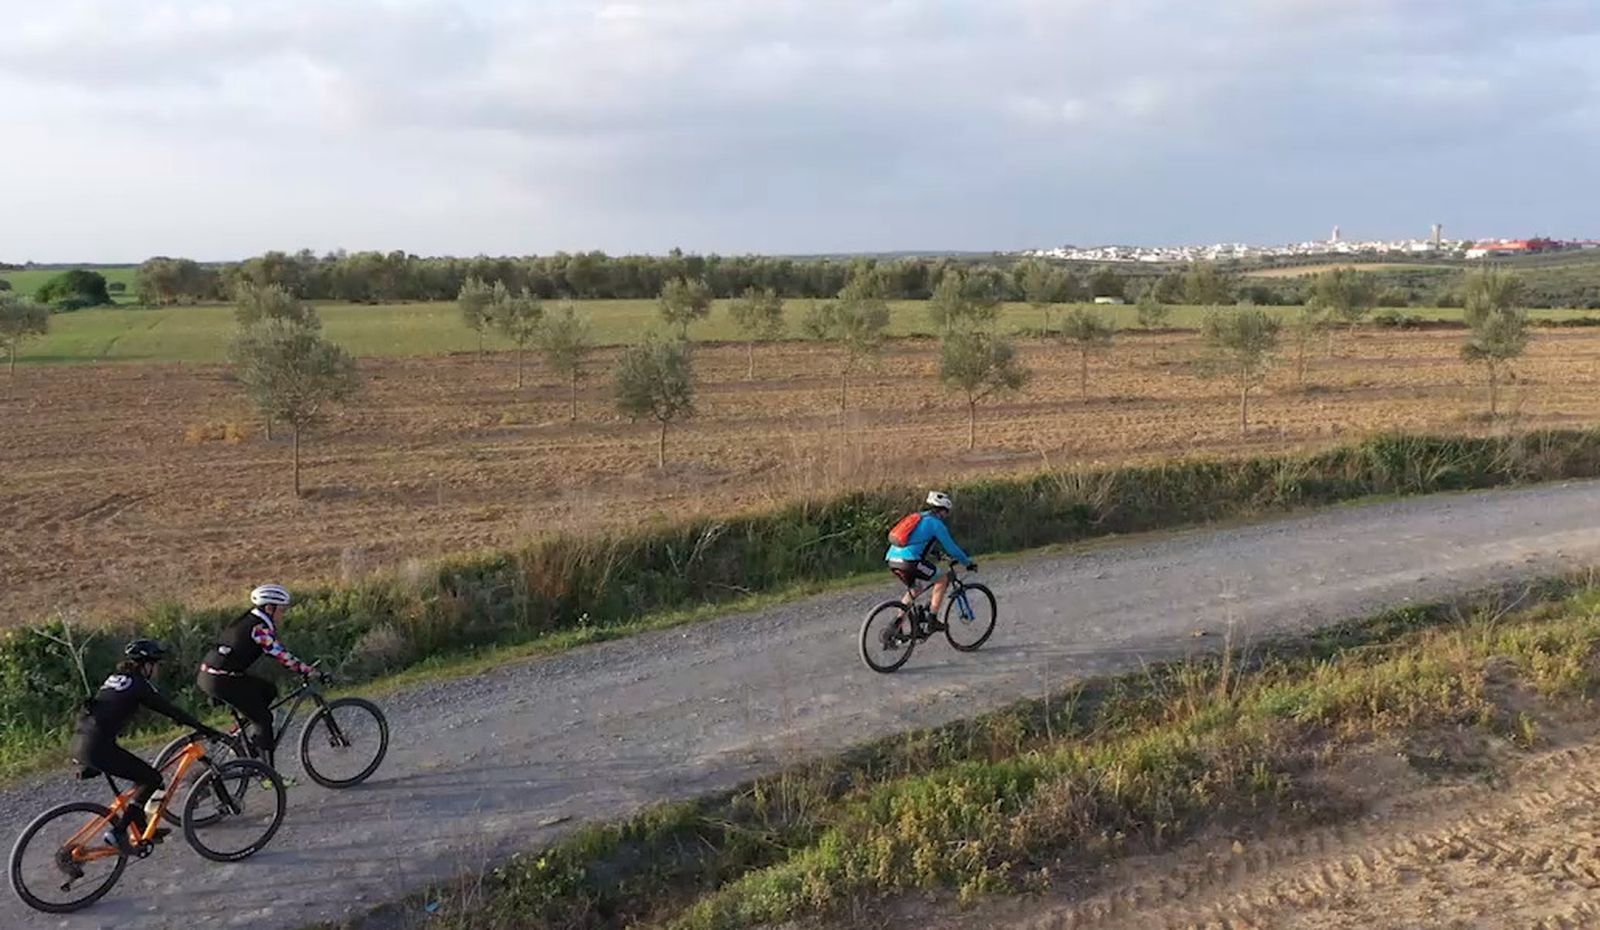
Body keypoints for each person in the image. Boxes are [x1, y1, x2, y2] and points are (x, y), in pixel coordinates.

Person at [70, 640, 224, 854]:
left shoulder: (115, 679)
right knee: (151, 778)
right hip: (98, 746)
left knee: (140, 776)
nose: (158, 669)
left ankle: (140, 828)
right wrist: (203, 728)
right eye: (156, 664)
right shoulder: (139, 684)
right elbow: (169, 709)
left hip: (80, 742)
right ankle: (119, 832)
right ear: (146, 665)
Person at [196, 584, 321, 767]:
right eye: (282, 610)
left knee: (268, 690)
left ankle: (240, 737)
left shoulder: (247, 619)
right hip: (222, 679)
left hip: (211, 675)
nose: (283, 615)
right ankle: (267, 773)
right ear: (269, 608)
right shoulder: (259, 629)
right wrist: (307, 670)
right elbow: (280, 654)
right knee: (264, 720)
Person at [885, 491, 977, 633]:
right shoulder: (936, 524)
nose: (947, 516)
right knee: (942, 579)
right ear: (943, 511)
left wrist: (936, 553)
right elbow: (952, 549)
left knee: (915, 589)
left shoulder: (918, 517)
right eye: (947, 512)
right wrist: (967, 562)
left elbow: (917, 541)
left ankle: (896, 626)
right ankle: (932, 620)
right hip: (910, 562)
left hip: (892, 559)